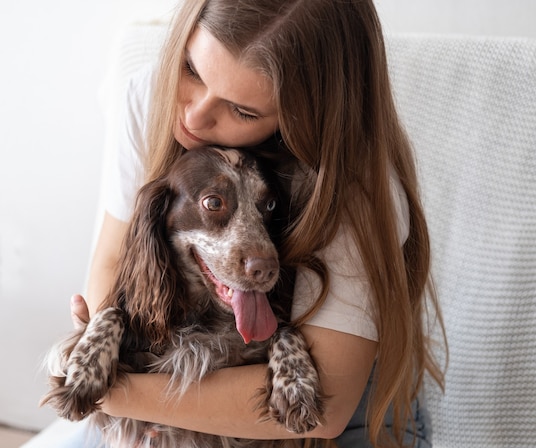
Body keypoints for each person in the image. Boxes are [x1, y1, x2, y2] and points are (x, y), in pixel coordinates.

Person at [60, 0, 447, 446]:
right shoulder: (150, 97)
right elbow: (113, 259)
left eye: (242, 110)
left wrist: (118, 396)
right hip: (164, 380)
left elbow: (325, 410)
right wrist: (101, 350)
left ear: (302, 117)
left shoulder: (351, 187)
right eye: (192, 70)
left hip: (338, 421)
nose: (193, 116)